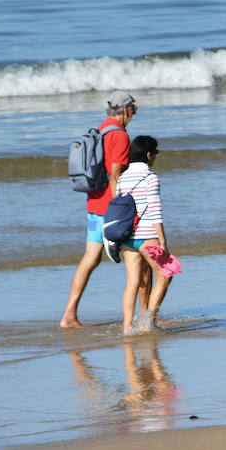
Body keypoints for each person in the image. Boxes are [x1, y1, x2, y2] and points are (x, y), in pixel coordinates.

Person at [59, 90, 137, 329]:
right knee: (137, 259)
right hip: (111, 208)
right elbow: (115, 176)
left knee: (90, 258)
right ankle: (145, 316)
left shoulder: (101, 130)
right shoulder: (120, 136)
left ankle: (69, 315)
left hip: (93, 204)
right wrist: (121, 210)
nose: (134, 114)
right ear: (125, 110)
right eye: (134, 109)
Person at [116, 135, 173, 334]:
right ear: (149, 155)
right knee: (166, 274)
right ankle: (148, 321)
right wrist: (163, 241)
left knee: (132, 282)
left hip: (128, 238)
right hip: (148, 235)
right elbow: (156, 210)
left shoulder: (122, 178)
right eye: (155, 153)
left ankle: (127, 327)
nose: (155, 157)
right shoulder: (151, 178)